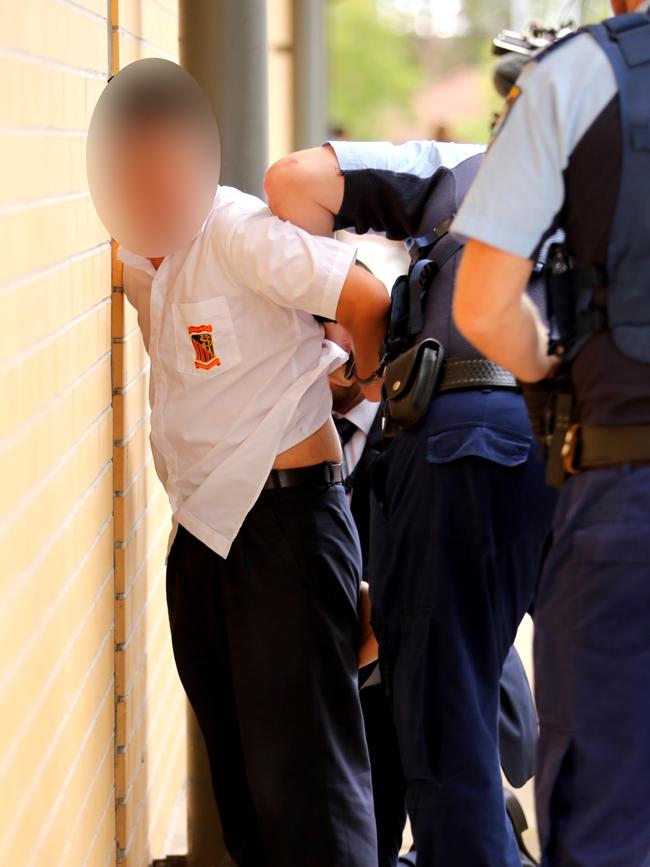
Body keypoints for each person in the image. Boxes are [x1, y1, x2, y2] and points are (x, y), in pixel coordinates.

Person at [87, 59, 391, 867]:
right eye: (130, 170)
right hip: (204, 540)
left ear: (196, 162)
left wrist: (358, 389)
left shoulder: (236, 230)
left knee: (312, 803)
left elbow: (366, 300)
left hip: (285, 527)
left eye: (162, 164)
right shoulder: (146, 262)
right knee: (246, 804)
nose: (147, 184)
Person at [265, 134, 556, 866]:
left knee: (444, 723)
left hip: (474, 429)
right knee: (612, 731)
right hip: (612, 451)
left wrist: (372, 353)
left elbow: (292, 182)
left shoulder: (459, 167)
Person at [452, 2, 650, 864]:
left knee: (606, 826)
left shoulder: (577, 74)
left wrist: (544, 365)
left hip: (624, 495)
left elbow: (483, 306)